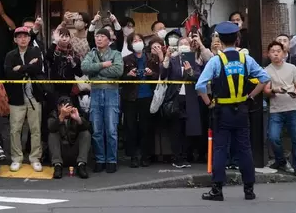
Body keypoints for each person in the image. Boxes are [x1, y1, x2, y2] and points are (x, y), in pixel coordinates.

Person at [196, 22, 270, 202]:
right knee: (244, 148)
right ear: (238, 39)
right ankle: (249, 189)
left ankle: (217, 190)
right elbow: (265, 78)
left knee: (221, 149)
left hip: (222, 111)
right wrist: (250, 96)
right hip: (242, 110)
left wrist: (209, 103)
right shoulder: (246, 59)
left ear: (219, 40)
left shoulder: (216, 60)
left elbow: (200, 85)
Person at [4, 26, 46, 173]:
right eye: (19, 36)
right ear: (15, 39)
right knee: (15, 129)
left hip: (34, 95)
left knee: (35, 128)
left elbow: (38, 69)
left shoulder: (35, 51)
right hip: (16, 97)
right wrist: (28, 67)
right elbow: (9, 74)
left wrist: (20, 68)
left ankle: (35, 158)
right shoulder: (10, 55)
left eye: (25, 36)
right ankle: (16, 158)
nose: (22, 39)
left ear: (29, 38)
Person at [81, 28, 124, 174]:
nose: (99, 39)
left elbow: (118, 71)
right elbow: (84, 68)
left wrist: (96, 71)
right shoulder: (91, 53)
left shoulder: (116, 53)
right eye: (97, 36)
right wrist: (102, 65)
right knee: (97, 129)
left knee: (111, 129)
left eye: (102, 36)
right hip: (96, 91)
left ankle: (111, 160)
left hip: (111, 91)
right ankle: (100, 159)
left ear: (108, 39)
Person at [162, 36, 204, 168]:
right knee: (176, 129)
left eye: (187, 43)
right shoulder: (173, 60)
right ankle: (177, 157)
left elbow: (199, 76)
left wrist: (190, 71)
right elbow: (163, 74)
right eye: (182, 44)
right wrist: (166, 58)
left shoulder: (194, 60)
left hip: (190, 98)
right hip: (175, 98)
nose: (184, 46)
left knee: (188, 129)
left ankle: (185, 156)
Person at [264, 41, 296, 177]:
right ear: (268, 54)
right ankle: (281, 160)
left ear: (284, 53)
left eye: (278, 51)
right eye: (273, 51)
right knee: (273, 137)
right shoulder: (266, 70)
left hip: (293, 107)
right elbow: (266, 90)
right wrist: (274, 90)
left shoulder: (292, 67)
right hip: (276, 109)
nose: (276, 53)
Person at [122, 34, 161, 168]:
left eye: (139, 40)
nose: (137, 43)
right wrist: (128, 75)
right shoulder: (126, 59)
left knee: (146, 127)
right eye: (134, 41)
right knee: (131, 127)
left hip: (147, 95)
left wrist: (152, 74)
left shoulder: (152, 57)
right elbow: (120, 79)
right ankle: (133, 156)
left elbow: (159, 76)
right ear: (130, 44)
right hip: (131, 97)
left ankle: (146, 156)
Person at [48, 96, 91, 179]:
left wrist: (78, 119)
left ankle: (81, 165)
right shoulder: (53, 115)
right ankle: (57, 166)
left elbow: (88, 128)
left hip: (74, 152)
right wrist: (61, 117)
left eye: (69, 106)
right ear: (58, 107)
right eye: (64, 106)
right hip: (61, 152)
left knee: (86, 133)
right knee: (52, 134)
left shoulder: (76, 113)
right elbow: (51, 128)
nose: (67, 108)